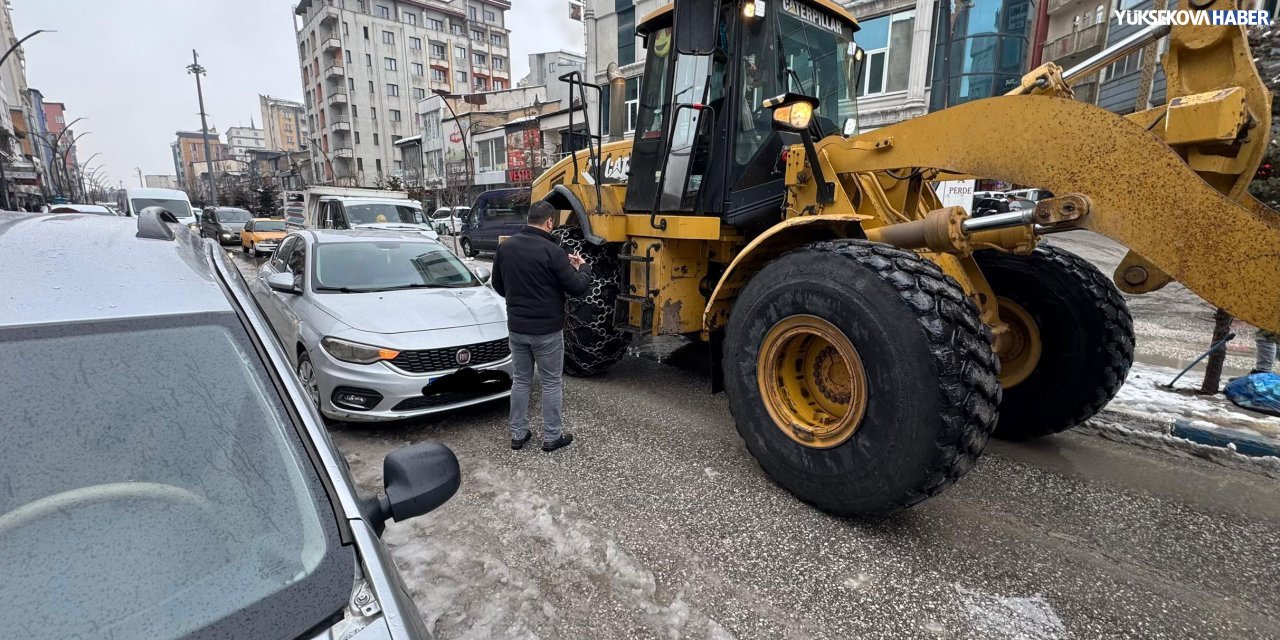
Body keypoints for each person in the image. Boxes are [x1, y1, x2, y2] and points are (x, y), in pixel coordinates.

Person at [491, 201, 592, 452]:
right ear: (549, 222)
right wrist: (583, 267)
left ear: (528, 219)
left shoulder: (506, 248)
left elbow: (497, 284)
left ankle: (518, 434)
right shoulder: (553, 252)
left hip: (517, 328)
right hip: (546, 331)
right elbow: (578, 288)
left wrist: (518, 300)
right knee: (550, 383)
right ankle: (551, 437)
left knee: (521, 381)